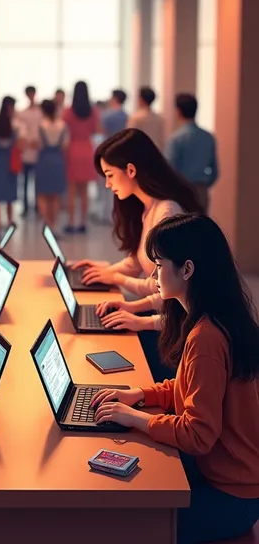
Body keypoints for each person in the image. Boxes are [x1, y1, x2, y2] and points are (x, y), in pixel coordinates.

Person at [90, 213, 259, 544]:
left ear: (187, 269)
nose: (153, 276)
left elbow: (198, 434)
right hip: (226, 471)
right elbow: (189, 391)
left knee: (130, 527)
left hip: (233, 492)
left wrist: (137, 419)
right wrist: (139, 394)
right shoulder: (208, 321)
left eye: (159, 265)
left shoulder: (207, 337)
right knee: (131, 481)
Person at [74, 128, 201, 380]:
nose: (107, 184)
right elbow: (140, 262)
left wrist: (118, 282)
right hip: (165, 319)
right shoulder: (149, 208)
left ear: (131, 170)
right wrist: (109, 274)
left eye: (110, 175)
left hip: (174, 332)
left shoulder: (167, 213)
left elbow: (162, 291)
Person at [166, 93, 219, 213]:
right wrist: (204, 183)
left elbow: (169, 169)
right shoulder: (208, 137)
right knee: (200, 227)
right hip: (202, 189)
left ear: (178, 111)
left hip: (182, 191)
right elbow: (215, 171)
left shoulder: (176, 138)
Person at [63, 81, 100, 233]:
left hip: (72, 149)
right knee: (85, 191)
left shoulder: (68, 112)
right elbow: (96, 130)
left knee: (71, 190)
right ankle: (83, 222)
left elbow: (65, 130)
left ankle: (71, 222)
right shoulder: (93, 112)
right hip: (87, 149)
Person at [0, 97, 25, 241]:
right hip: (10, 162)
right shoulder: (16, 125)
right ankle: (9, 223)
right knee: (9, 196)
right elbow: (20, 144)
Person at [35, 99, 69, 233]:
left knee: (42, 193)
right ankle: (54, 224)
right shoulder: (63, 125)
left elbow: (38, 144)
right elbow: (65, 145)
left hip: (44, 159)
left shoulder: (41, 125)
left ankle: (47, 223)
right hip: (57, 159)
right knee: (55, 195)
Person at [17, 86, 42, 217]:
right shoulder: (22, 113)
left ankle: (38, 205)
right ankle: (26, 206)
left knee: (38, 180)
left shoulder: (40, 112)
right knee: (25, 180)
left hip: (38, 149)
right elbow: (21, 131)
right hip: (26, 149)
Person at [127, 86, 165, 151]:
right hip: (155, 151)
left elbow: (129, 137)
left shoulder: (135, 117)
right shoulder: (159, 118)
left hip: (139, 151)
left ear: (141, 99)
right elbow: (162, 139)